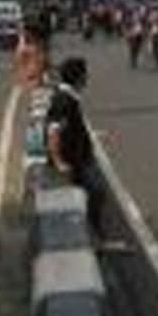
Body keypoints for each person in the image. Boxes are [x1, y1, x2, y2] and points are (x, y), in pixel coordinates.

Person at [45, 58, 104, 235]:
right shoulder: (64, 101)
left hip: (77, 157)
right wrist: (58, 160)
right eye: (85, 74)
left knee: (94, 192)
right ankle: (93, 233)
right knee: (95, 192)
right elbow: (53, 131)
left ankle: (94, 233)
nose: (87, 78)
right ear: (78, 77)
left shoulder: (69, 97)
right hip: (71, 160)